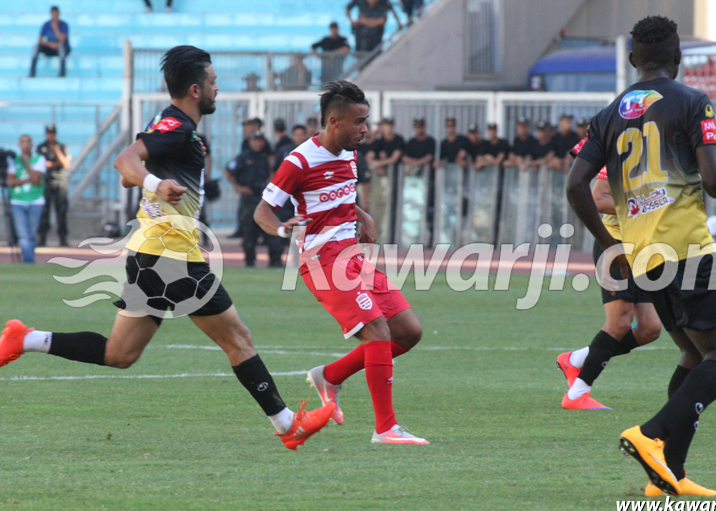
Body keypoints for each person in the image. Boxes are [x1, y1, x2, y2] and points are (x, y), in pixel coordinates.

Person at [0, 46, 334, 451]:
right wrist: (157, 184)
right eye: (212, 82)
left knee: (120, 353)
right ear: (195, 89)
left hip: (150, 256)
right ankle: (287, 426)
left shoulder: (174, 127)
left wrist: (158, 176)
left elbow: (130, 175)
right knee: (238, 339)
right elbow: (124, 163)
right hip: (171, 258)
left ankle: (25, 338)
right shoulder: (175, 127)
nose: (217, 88)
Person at [567, 15, 716, 497]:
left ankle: (670, 476)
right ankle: (650, 435)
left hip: (644, 256)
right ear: (678, 57)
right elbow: (711, 179)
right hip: (687, 247)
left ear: (632, 60)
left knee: (693, 355)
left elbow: (574, 185)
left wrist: (611, 247)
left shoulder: (608, 114)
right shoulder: (692, 101)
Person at [255, 80, 428, 445]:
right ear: (334, 122)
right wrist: (280, 229)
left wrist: (361, 215)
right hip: (322, 261)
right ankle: (385, 429)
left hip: (351, 255)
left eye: (366, 120)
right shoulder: (299, 161)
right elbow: (263, 211)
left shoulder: (349, 152)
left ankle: (330, 375)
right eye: (359, 122)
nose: (365, 129)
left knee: (408, 331)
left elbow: (341, 195)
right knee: (378, 333)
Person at [557, 137, 662, 410]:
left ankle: (577, 359)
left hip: (640, 249)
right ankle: (577, 393)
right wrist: (642, 208)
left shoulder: (663, 157)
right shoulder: (626, 152)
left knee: (650, 329)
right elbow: (598, 198)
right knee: (619, 323)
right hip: (613, 245)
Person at [228, 130, 280, 268]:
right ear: (250, 141)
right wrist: (238, 187)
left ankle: (275, 261)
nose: (257, 143)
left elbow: (275, 172)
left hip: (266, 199)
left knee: (271, 230)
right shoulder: (243, 157)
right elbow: (228, 171)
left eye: (260, 140)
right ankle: (250, 262)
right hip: (249, 200)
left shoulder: (268, 158)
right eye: (255, 140)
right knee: (249, 233)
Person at [6, 135, 47, 263]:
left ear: (32, 144)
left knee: (31, 234)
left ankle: (28, 257)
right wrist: (28, 180)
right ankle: (29, 261)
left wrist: (27, 163)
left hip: (35, 200)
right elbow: (11, 181)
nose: (25, 145)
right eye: (22, 142)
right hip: (18, 201)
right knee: (23, 234)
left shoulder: (39, 159)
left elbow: (36, 178)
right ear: (19, 144)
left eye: (28, 142)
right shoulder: (13, 160)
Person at [36, 124, 71, 247]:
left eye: (53, 133)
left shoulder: (62, 146)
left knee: (61, 212)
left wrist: (56, 152)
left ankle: (63, 238)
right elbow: (42, 164)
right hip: (46, 182)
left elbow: (65, 164)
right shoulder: (41, 147)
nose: (51, 135)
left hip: (60, 181)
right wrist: (56, 164)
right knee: (44, 212)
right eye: (49, 133)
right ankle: (42, 238)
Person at [29, 6, 70, 78]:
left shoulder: (64, 25)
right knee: (37, 47)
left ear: (59, 14)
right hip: (51, 47)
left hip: (62, 49)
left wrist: (55, 27)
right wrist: (50, 44)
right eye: (53, 14)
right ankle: (32, 72)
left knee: (61, 46)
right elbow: (40, 39)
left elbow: (62, 39)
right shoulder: (46, 24)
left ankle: (62, 72)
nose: (55, 16)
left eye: (56, 14)